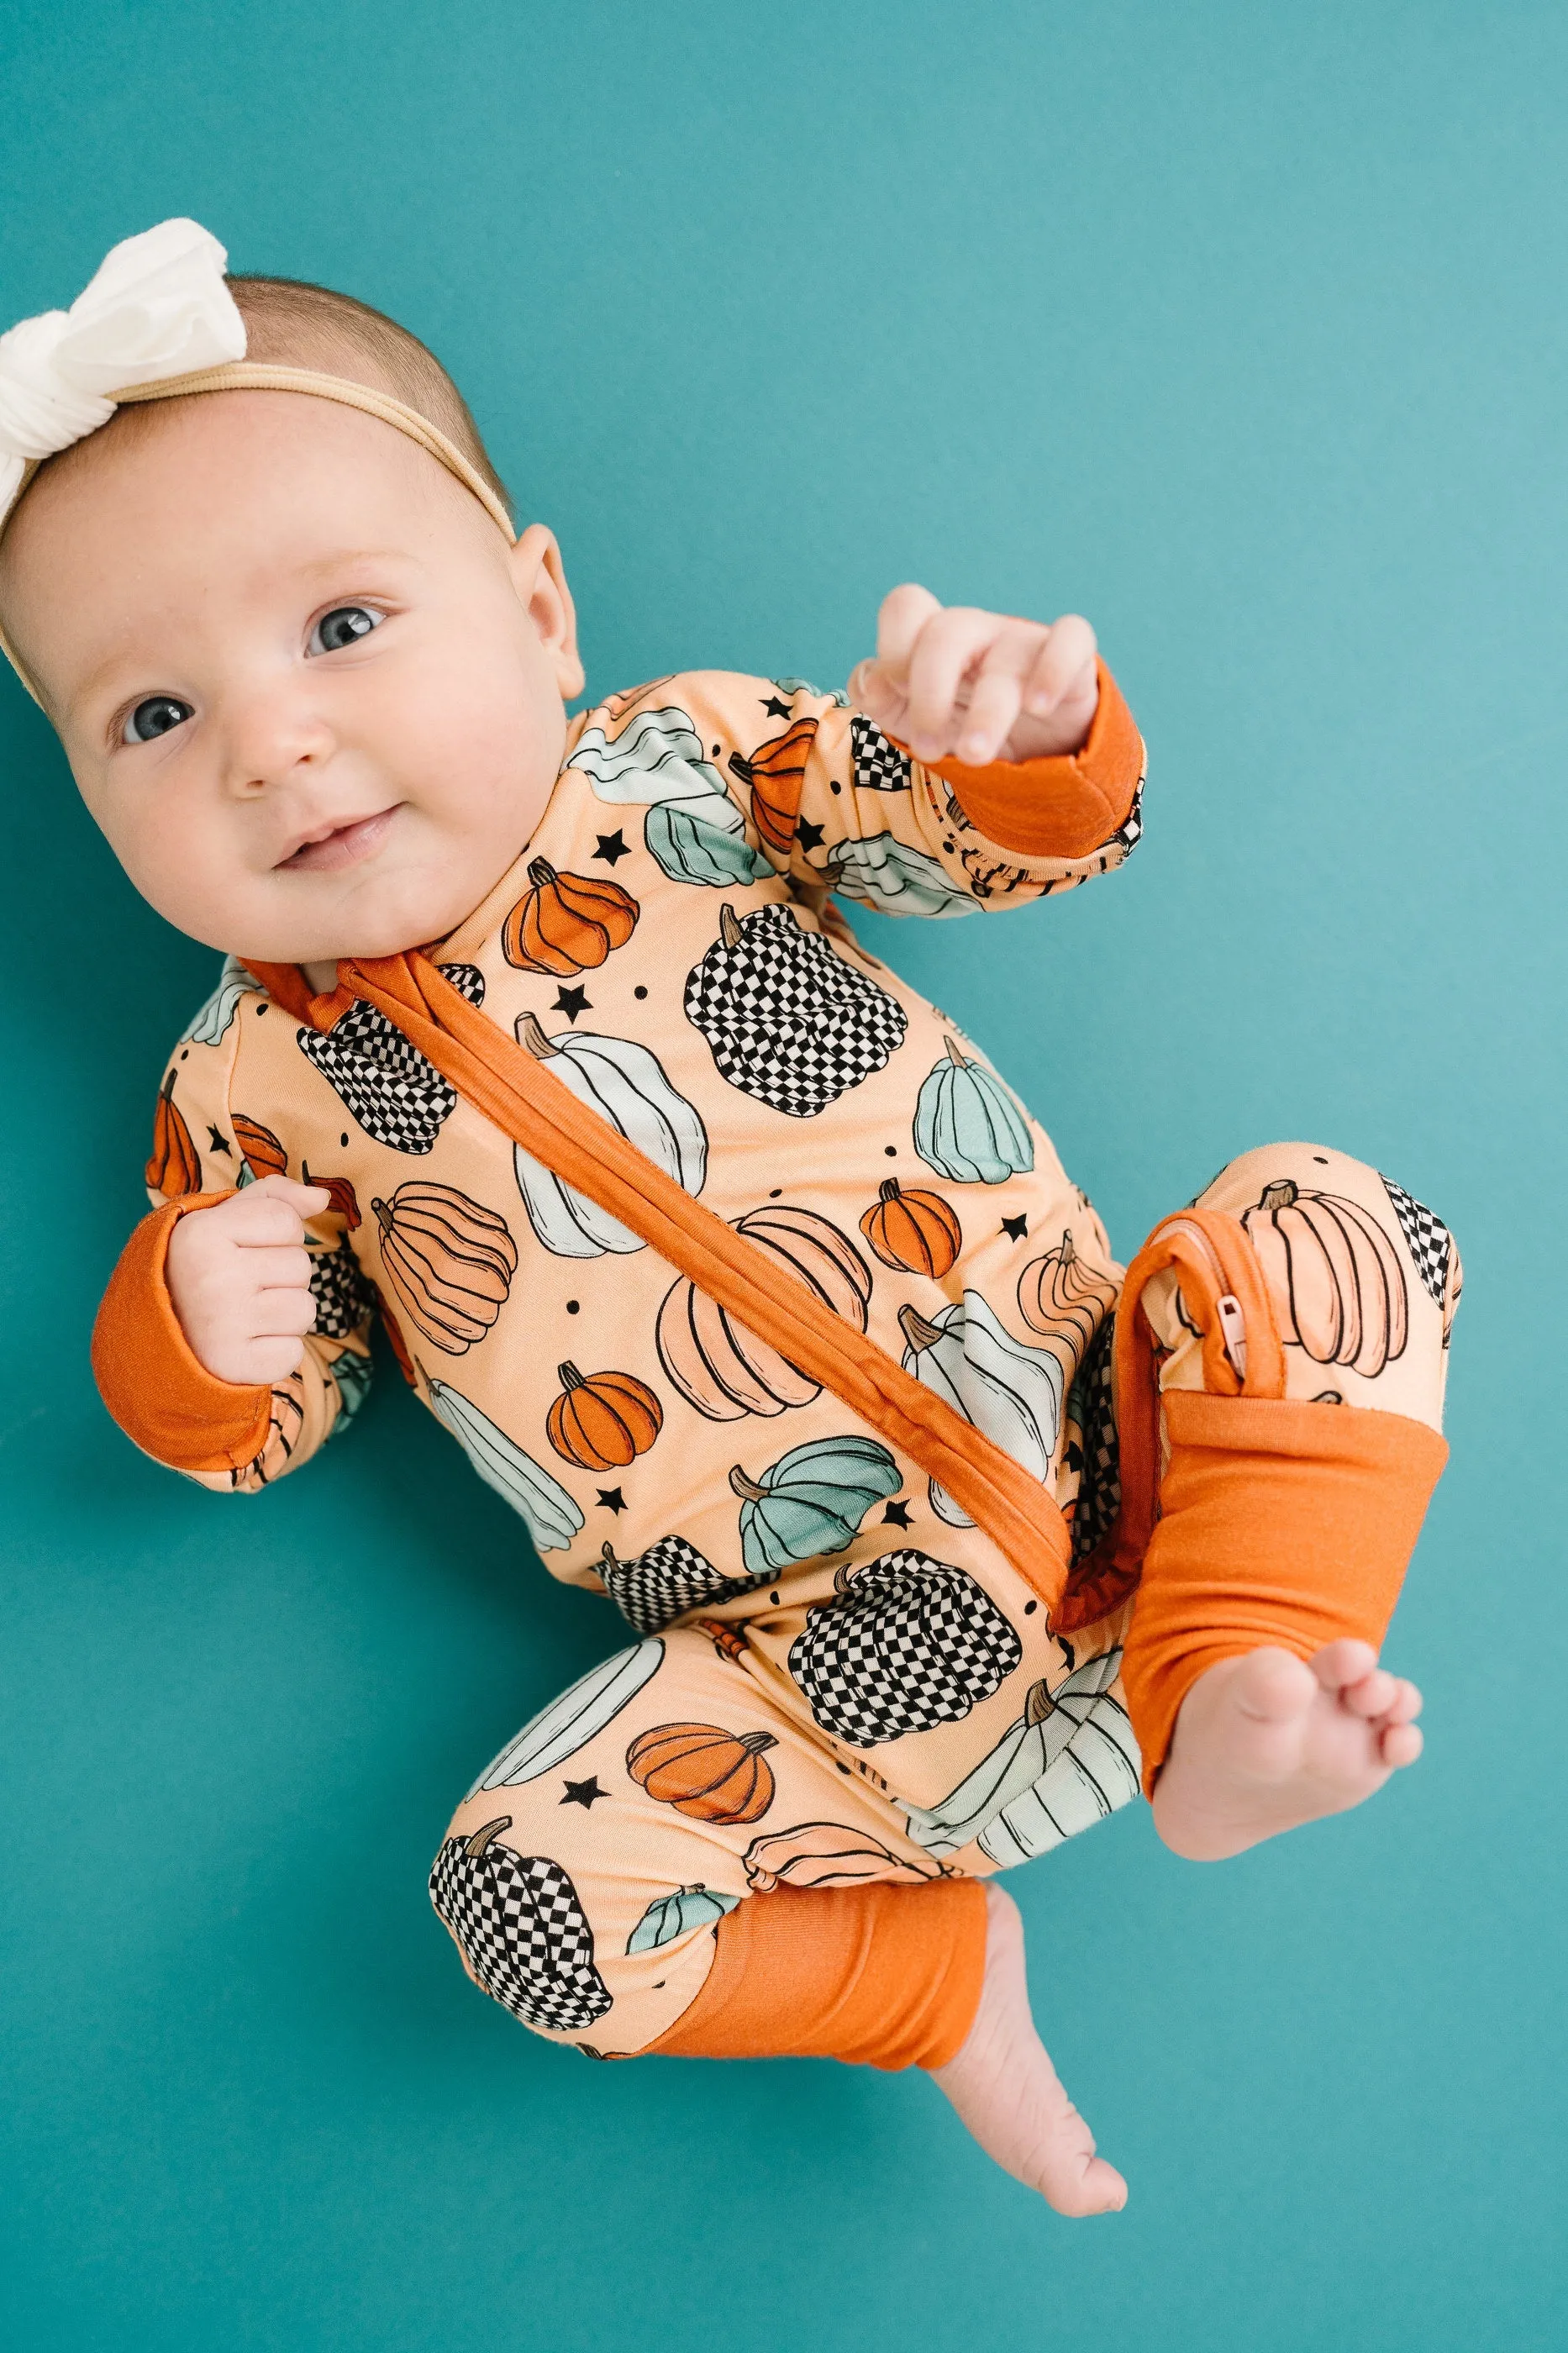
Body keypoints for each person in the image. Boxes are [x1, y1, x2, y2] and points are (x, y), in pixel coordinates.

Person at [0, 221, 1459, 2215]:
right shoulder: (236, 1098)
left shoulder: (678, 767)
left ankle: (1240, 1683)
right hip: (832, 1672)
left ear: (539, 609)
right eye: (147, 719)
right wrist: (188, 1329)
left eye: (342, 625)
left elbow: (952, 833)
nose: (271, 740)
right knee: (517, 1898)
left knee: (1338, 1217)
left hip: (1134, 1436)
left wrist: (999, 748)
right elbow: (266, 1413)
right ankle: (932, 1973)